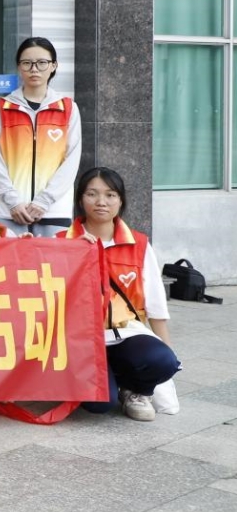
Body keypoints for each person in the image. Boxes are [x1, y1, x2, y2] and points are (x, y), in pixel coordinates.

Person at [61, 167, 180, 422]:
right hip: (81, 339)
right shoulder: (62, 242)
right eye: (92, 194)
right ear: (80, 199)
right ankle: (107, 382)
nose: (101, 201)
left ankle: (135, 390)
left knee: (163, 360)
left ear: (121, 201)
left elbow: (155, 301)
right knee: (100, 404)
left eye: (110, 195)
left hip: (126, 333)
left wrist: (167, 349)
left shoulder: (138, 243)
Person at [0, 37, 81, 237]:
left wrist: (44, 201)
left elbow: (72, 160)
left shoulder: (67, 108)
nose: (34, 69)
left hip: (54, 210)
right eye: (27, 63)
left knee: (53, 258)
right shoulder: (2, 107)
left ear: (53, 66)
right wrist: (12, 201)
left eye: (42, 63)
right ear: (19, 67)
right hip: (9, 210)